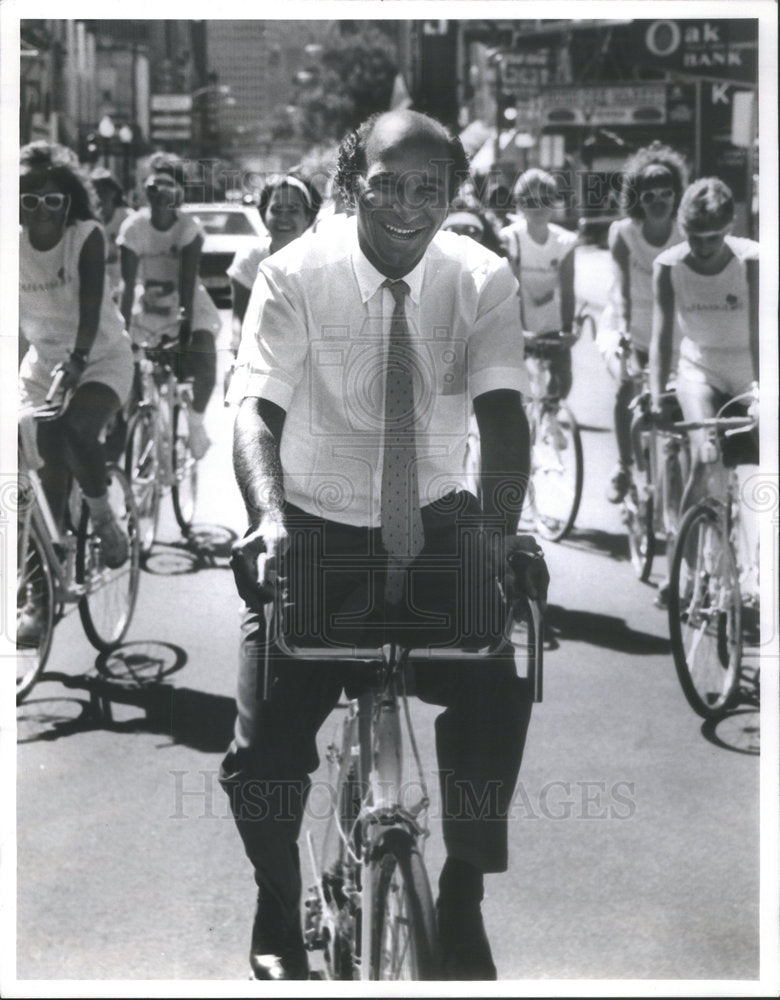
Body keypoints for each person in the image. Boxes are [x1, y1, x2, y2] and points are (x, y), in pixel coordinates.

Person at [220, 109, 549, 982]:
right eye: (388, 185)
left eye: (429, 191)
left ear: (452, 197)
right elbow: (256, 411)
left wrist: (501, 528)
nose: (408, 207)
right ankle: (274, 891)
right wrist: (268, 519)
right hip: (315, 534)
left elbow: (503, 417)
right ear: (349, 182)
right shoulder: (294, 273)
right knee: (263, 757)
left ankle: (466, 891)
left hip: (436, 522)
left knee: (499, 686)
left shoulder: (481, 277)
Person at [18, 142, 134, 577]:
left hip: (100, 357)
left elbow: (90, 307)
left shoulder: (85, 235)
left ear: (69, 200)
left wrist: (79, 360)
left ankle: (104, 520)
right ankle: (49, 562)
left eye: (53, 200)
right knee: (35, 460)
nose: (42, 210)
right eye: (30, 200)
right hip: (41, 364)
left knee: (75, 429)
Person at [650, 177, 759, 559]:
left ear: (729, 230)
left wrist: (762, 390)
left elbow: (761, 333)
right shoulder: (669, 265)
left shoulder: (751, 260)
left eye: (713, 238)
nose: (703, 247)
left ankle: (758, 553)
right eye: (694, 237)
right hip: (701, 368)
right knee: (705, 454)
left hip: (748, 366)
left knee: (762, 462)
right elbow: (661, 338)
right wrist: (655, 391)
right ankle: (686, 567)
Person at [599, 142, 688, 505]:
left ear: (677, 195)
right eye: (650, 195)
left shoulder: (686, 233)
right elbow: (621, 288)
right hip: (629, 326)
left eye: (667, 193)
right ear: (638, 198)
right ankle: (623, 466)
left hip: (674, 334)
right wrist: (622, 328)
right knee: (627, 388)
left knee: (676, 402)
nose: (659, 201)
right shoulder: (623, 232)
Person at [117, 153, 220, 459]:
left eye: (168, 190)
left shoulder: (188, 228)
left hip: (187, 300)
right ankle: (141, 423)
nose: (159, 197)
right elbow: (126, 283)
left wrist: (185, 325)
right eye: (153, 189)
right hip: (148, 302)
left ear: (179, 193)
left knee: (204, 358)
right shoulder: (133, 227)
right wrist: (122, 331)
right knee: (132, 365)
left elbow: (187, 282)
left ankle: (196, 423)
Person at [500, 168, 578, 447]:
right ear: (520, 205)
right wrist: (517, 330)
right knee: (521, 388)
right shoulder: (511, 238)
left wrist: (568, 329)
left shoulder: (564, 242)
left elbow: (568, 289)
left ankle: (551, 419)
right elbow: (511, 287)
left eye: (545, 200)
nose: (539, 208)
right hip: (518, 322)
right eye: (530, 201)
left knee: (562, 381)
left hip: (550, 322)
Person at [227, 175, 322, 357]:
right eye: (276, 209)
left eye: (293, 210)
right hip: (258, 349)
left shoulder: (320, 259)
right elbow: (239, 318)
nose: (283, 218)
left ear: (307, 217)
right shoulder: (251, 257)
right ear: (264, 214)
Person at [90, 167, 134, 301]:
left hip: (122, 281)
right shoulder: (89, 220)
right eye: (96, 191)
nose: (100, 195)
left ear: (114, 192)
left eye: (104, 191)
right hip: (98, 283)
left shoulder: (128, 218)